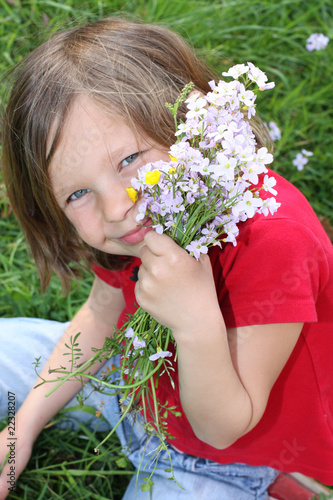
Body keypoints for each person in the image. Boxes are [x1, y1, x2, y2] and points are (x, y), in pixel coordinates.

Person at [0, 17, 332, 500]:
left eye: (129, 159)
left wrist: (196, 318)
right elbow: (99, 315)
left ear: (194, 124)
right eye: (77, 193)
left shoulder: (275, 236)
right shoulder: (132, 225)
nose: (116, 207)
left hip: (232, 454)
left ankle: (284, 484)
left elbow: (225, 426)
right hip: (137, 388)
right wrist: (20, 431)